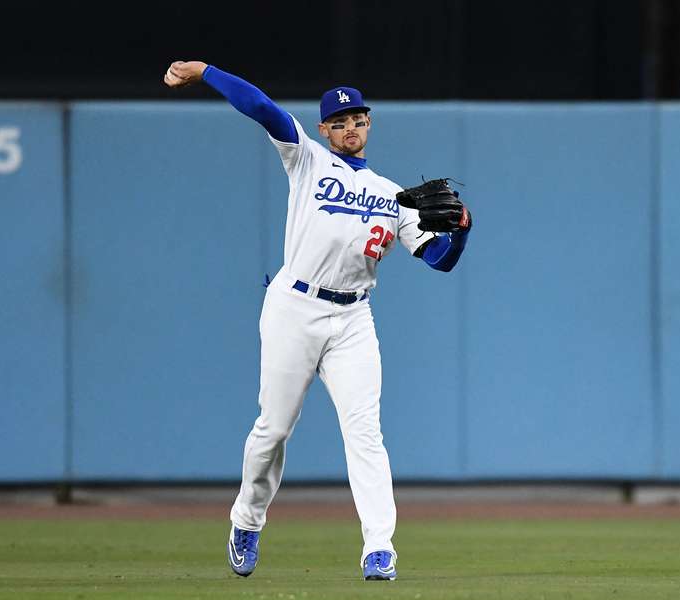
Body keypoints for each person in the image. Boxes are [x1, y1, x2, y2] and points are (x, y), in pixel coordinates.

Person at [163, 60, 471, 581]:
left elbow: (440, 259)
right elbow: (260, 108)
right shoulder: (306, 159)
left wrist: (462, 230)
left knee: (365, 432)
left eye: (360, 119)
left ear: (369, 125)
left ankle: (379, 548)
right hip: (294, 308)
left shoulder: (393, 195)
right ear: (325, 130)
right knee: (274, 428)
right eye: (341, 121)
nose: (351, 127)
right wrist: (207, 72)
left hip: (353, 317)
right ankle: (246, 519)